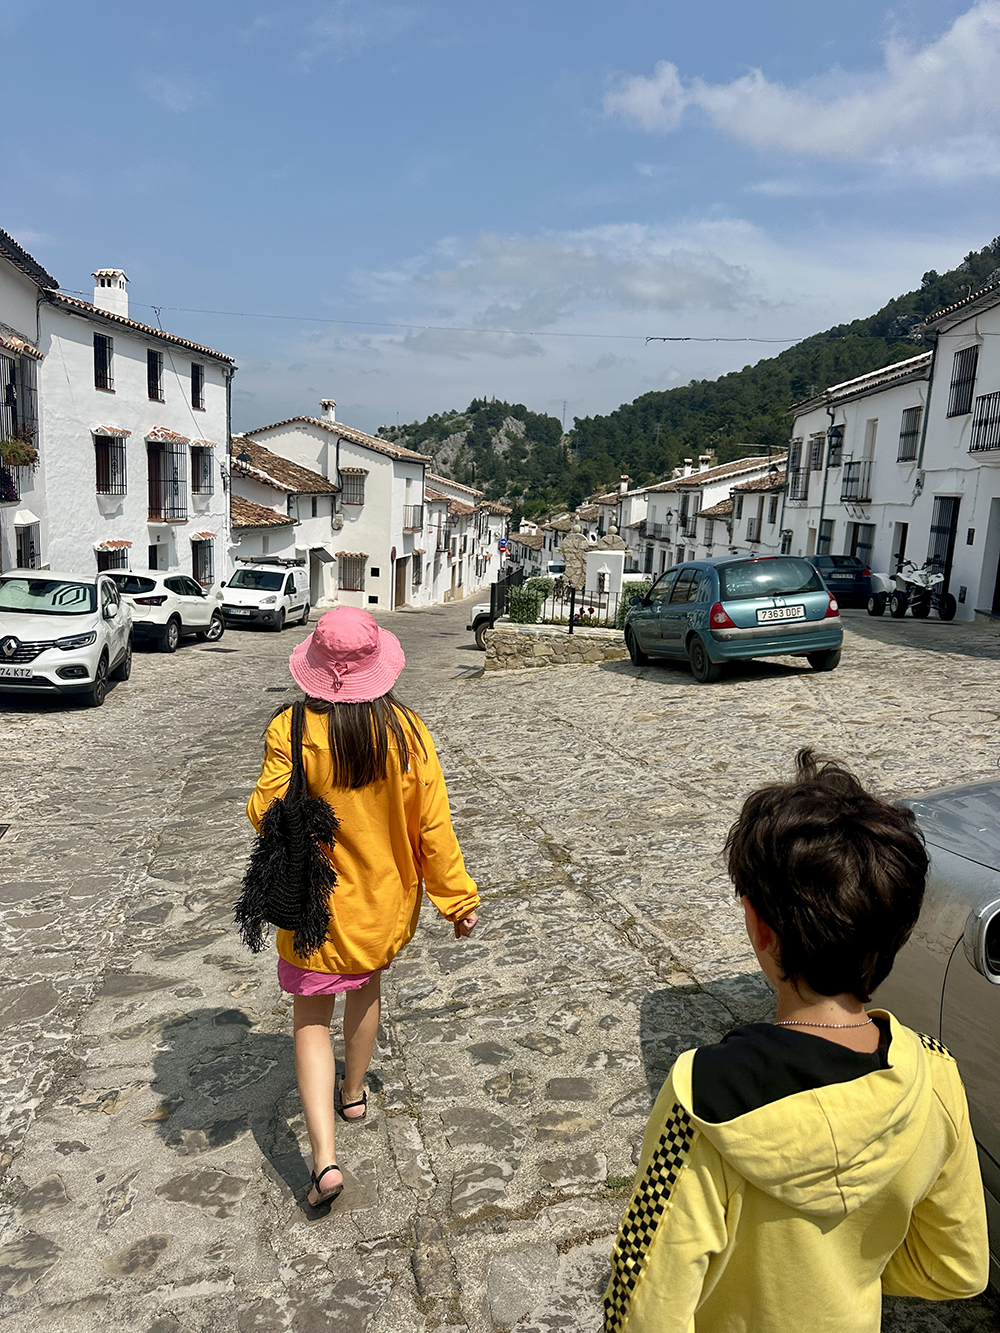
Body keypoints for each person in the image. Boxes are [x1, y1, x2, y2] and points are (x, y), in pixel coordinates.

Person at [605, 749, 988, 1333]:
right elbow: (957, 1269)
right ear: (897, 930)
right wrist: (845, 1281)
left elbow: (639, 1309)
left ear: (760, 926)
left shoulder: (703, 1098)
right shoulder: (934, 1076)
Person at [246, 606, 479, 1208]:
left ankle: (324, 1161)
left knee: (309, 1020)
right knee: (366, 989)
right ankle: (352, 1094)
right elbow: (432, 827)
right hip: (380, 903)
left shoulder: (292, 730)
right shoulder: (407, 733)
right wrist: (457, 898)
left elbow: (263, 814)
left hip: (313, 907)